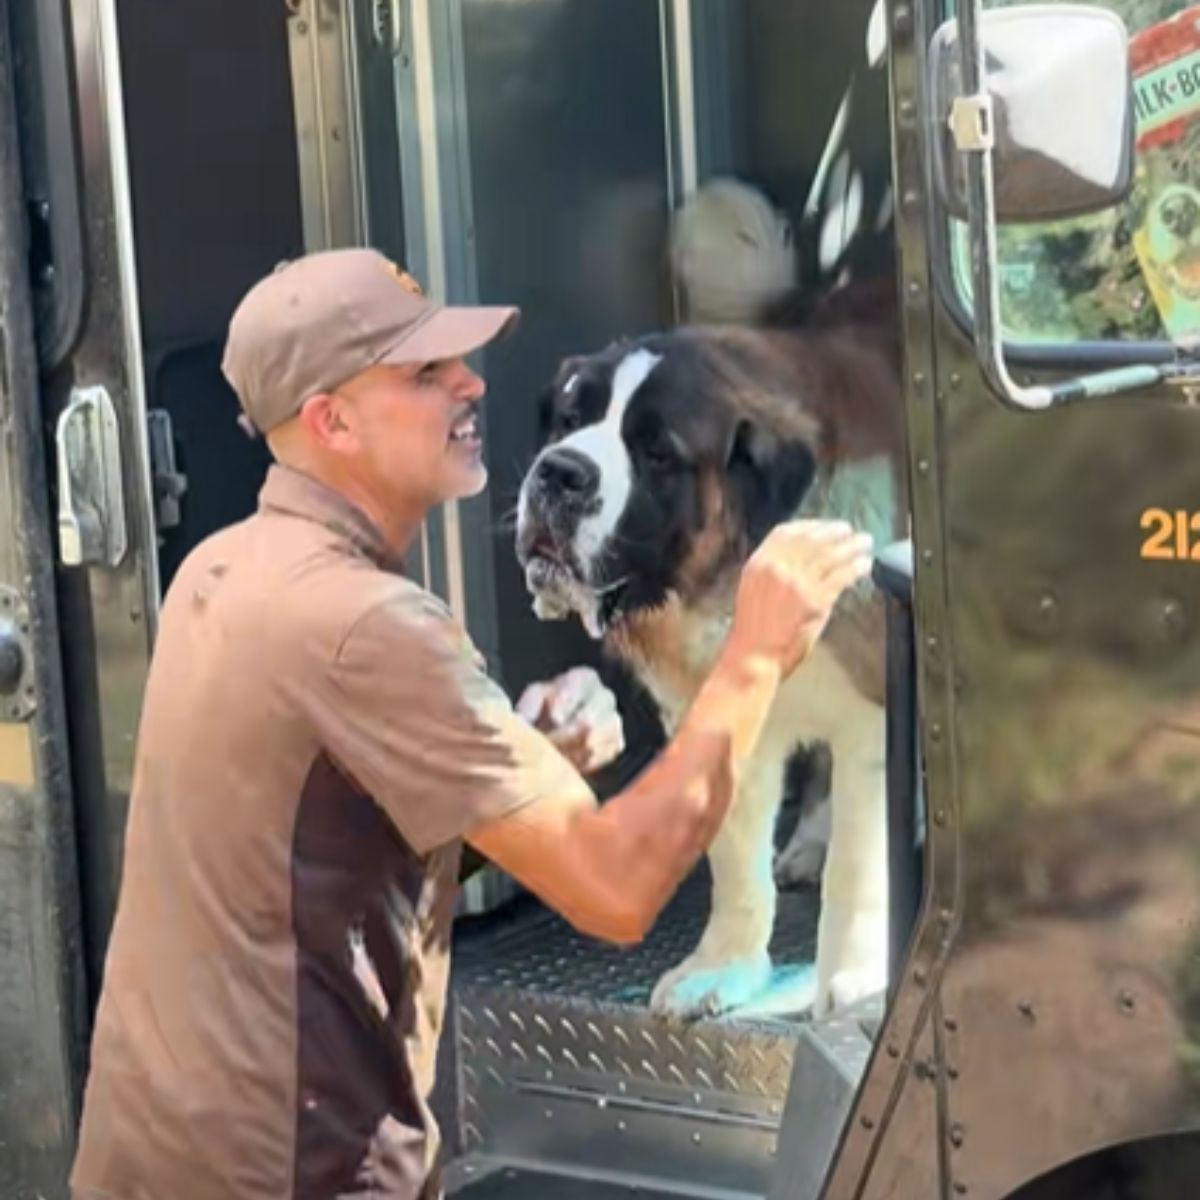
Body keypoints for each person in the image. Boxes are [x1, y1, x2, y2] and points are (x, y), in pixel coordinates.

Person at [70, 248, 873, 1200]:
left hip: (148, 1157)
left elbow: (315, 844)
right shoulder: (367, 626)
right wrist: (756, 650)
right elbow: (615, 889)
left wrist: (503, 781)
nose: (471, 385)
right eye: (424, 374)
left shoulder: (220, 567)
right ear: (331, 420)